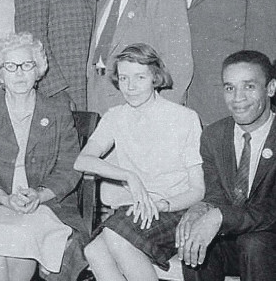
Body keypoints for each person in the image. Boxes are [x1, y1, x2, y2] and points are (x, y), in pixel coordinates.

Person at [0, 32, 87, 281]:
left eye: (27, 65)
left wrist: (40, 194)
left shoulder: (57, 112)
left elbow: (69, 167)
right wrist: (4, 198)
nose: (19, 73)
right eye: (10, 66)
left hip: (47, 203)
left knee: (16, 235)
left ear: (38, 70)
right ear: (0, 74)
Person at [75, 43, 204, 281]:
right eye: (123, 78)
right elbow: (82, 161)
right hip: (137, 212)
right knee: (93, 250)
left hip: (175, 209)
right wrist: (128, 176)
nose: (130, 87)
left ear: (155, 77)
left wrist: (163, 204)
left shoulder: (184, 118)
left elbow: (198, 190)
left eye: (139, 77)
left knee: (116, 239)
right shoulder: (115, 116)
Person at [177, 50, 276, 281]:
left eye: (249, 86)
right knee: (193, 239)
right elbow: (215, 194)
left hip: (268, 244)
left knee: (255, 244)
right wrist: (200, 210)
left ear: (270, 88)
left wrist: (220, 216)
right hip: (237, 241)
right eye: (230, 88)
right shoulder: (214, 135)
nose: (237, 98)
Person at [88, 0, 193, 116]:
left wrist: (156, 120)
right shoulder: (101, 5)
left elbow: (178, 70)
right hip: (100, 119)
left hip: (141, 119)